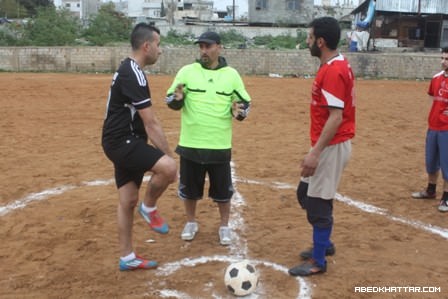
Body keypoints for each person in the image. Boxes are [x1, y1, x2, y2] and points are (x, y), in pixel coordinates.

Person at [101, 23, 177, 271]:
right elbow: (151, 122)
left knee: (127, 199)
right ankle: (150, 206)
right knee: (167, 168)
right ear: (147, 46)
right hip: (123, 140)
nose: (160, 50)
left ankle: (127, 257)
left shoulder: (132, 70)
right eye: (158, 44)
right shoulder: (132, 72)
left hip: (122, 139)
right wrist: (168, 155)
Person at [165, 31, 251, 246]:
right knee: (189, 189)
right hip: (190, 143)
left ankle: (224, 226)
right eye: (201, 47)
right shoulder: (187, 72)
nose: (203, 51)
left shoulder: (231, 75)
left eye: (208, 46)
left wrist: (238, 111)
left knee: (223, 191)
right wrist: (177, 99)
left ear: (219, 47)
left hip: (219, 144)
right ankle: (191, 222)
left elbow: (244, 105)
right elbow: (171, 100)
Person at [288, 17, 356, 276]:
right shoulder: (332, 66)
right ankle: (324, 242)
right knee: (305, 195)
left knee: (318, 205)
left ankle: (319, 260)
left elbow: (336, 117)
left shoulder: (333, 70)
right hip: (327, 145)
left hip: (331, 147)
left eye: (309, 37)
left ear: (321, 41)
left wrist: (315, 153)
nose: (307, 42)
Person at [411, 47, 448, 212]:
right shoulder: (435, 79)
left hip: (447, 129)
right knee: (431, 160)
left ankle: (446, 198)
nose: (443, 61)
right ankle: (431, 190)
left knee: (447, 164)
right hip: (433, 127)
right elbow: (432, 99)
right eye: (442, 57)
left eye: (446, 59)